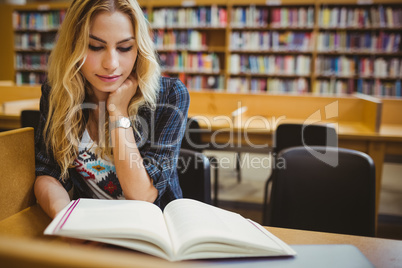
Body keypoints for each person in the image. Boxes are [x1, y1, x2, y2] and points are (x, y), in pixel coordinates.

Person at [34, 0, 190, 219]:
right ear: (73, 46)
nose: (111, 63)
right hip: (93, 228)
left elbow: (142, 195)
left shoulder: (170, 96)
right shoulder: (57, 94)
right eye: (95, 46)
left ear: (139, 49)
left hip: (155, 231)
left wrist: (118, 112)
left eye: (125, 47)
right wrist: (64, 218)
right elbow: (47, 172)